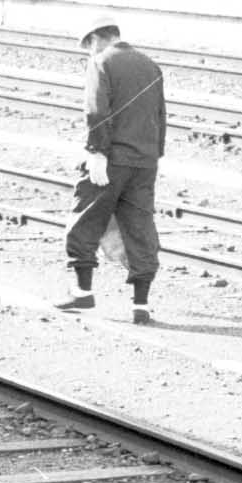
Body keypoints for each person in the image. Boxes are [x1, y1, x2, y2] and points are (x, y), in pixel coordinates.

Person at [59, 20, 166, 325]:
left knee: (85, 219)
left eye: (88, 46)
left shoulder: (100, 62)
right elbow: (160, 115)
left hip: (111, 159)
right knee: (140, 228)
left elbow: (96, 110)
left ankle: (82, 292)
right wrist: (153, 155)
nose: (88, 52)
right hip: (144, 163)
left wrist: (96, 152)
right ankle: (141, 306)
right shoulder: (150, 66)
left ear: (95, 39)